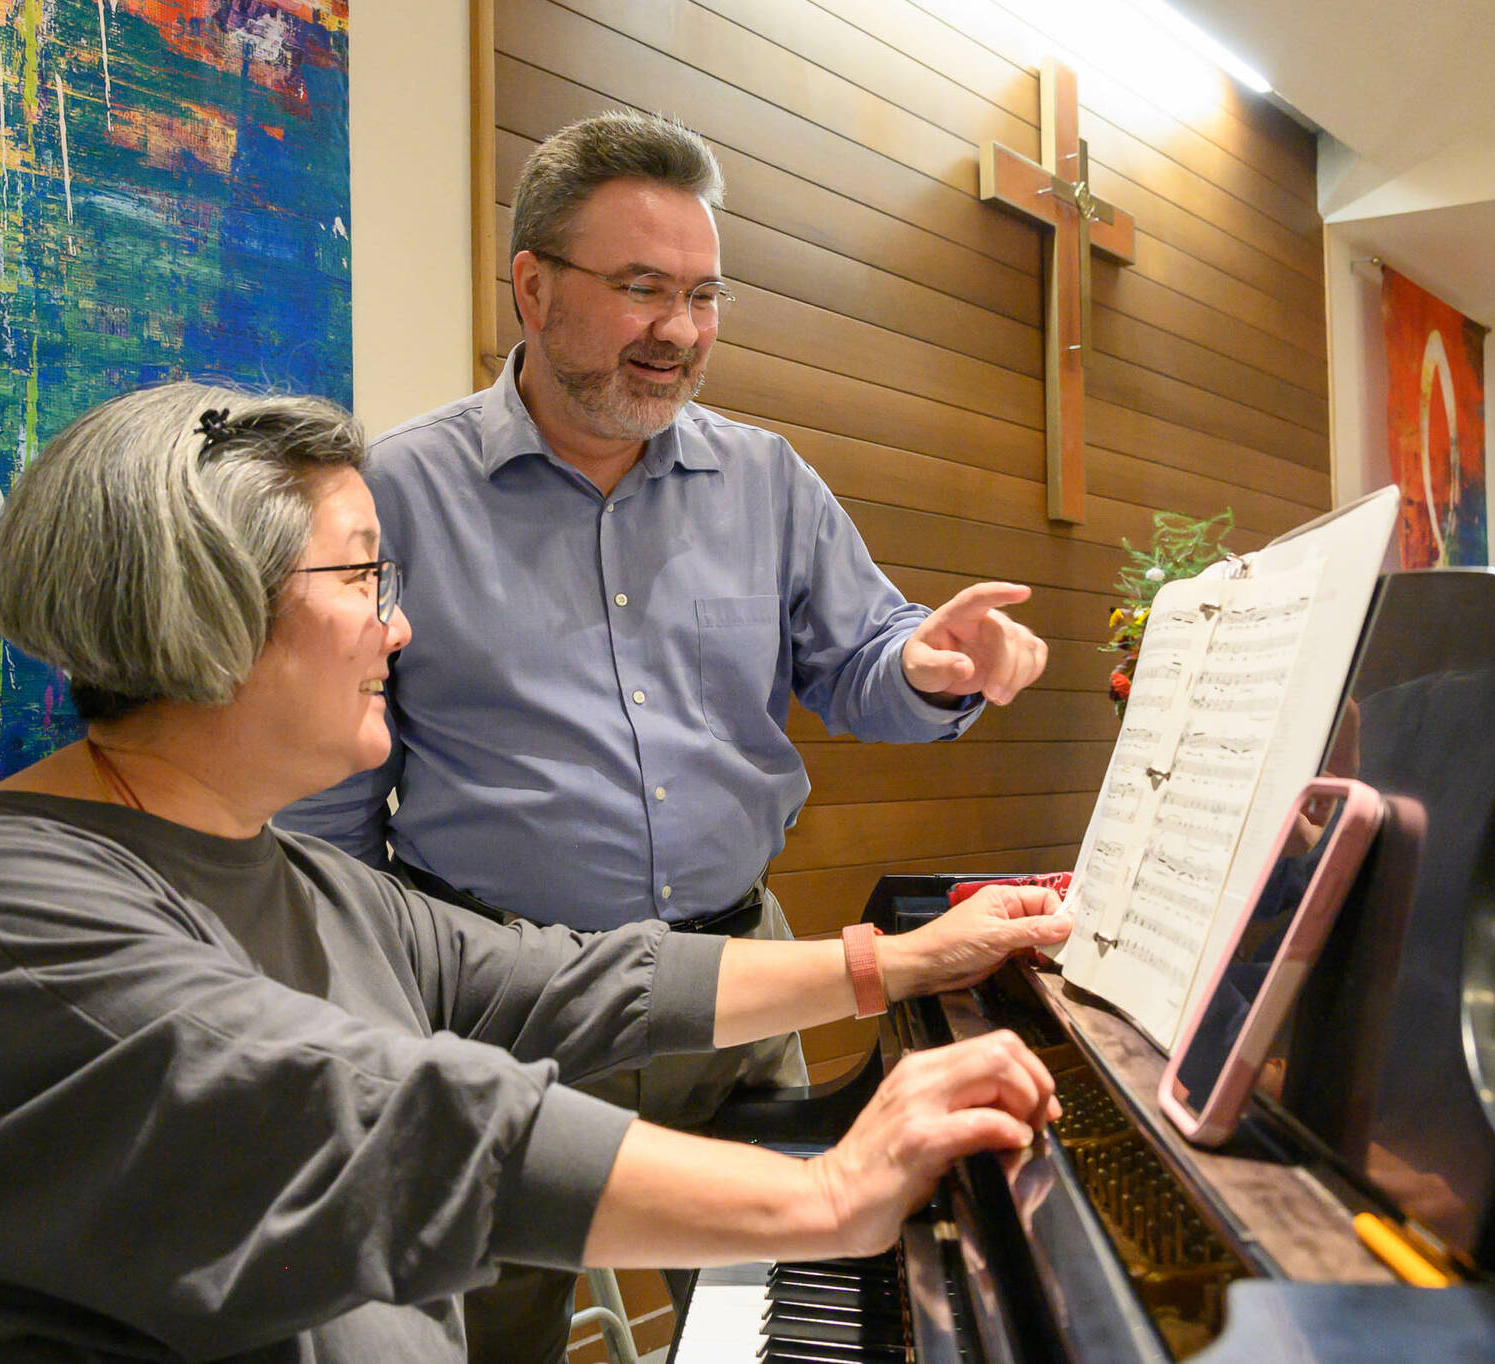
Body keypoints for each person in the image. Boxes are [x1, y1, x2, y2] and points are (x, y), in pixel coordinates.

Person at [0, 383, 1074, 1363]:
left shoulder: (292, 876)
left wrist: (884, 966)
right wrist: (825, 1196)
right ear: (209, 609)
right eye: (365, 579)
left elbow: (568, 981)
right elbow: (383, 1119)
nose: (404, 623)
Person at [277, 106, 1051, 1360]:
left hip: (743, 971)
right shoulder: (397, 490)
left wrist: (926, 661)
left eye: (702, 295)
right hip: (498, 997)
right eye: (642, 288)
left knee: (782, 1304)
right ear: (531, 285)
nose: (680, 332)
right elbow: (323, 788)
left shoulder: (768, 478)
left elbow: (861, 661)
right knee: (483, 1333)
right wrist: (366, 1003)